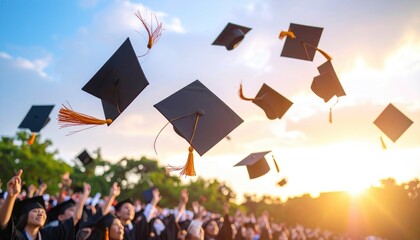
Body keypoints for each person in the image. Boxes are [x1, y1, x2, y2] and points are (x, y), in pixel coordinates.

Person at [0, 169, 89, 240]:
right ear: (25, 216)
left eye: (43, 211)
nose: (41, 213)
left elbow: (75, 218)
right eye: (35, 211)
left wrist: (83, 197)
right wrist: (11, 196)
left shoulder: (49, 235)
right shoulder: (16, 235)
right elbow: (3, 223)